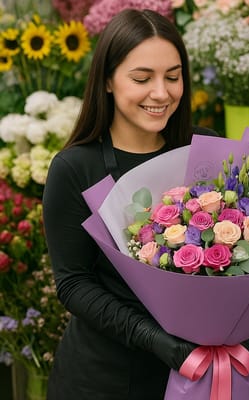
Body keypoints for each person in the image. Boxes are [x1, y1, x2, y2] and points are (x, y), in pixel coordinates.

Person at [42, 8, 219, 400]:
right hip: (103, 379)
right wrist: (151, 337)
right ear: (107, 80)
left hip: (201, 373)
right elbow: (73, 282)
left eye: (172, 76)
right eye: (142, 78)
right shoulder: (75, 167)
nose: (161, 93)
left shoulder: (204, 150)